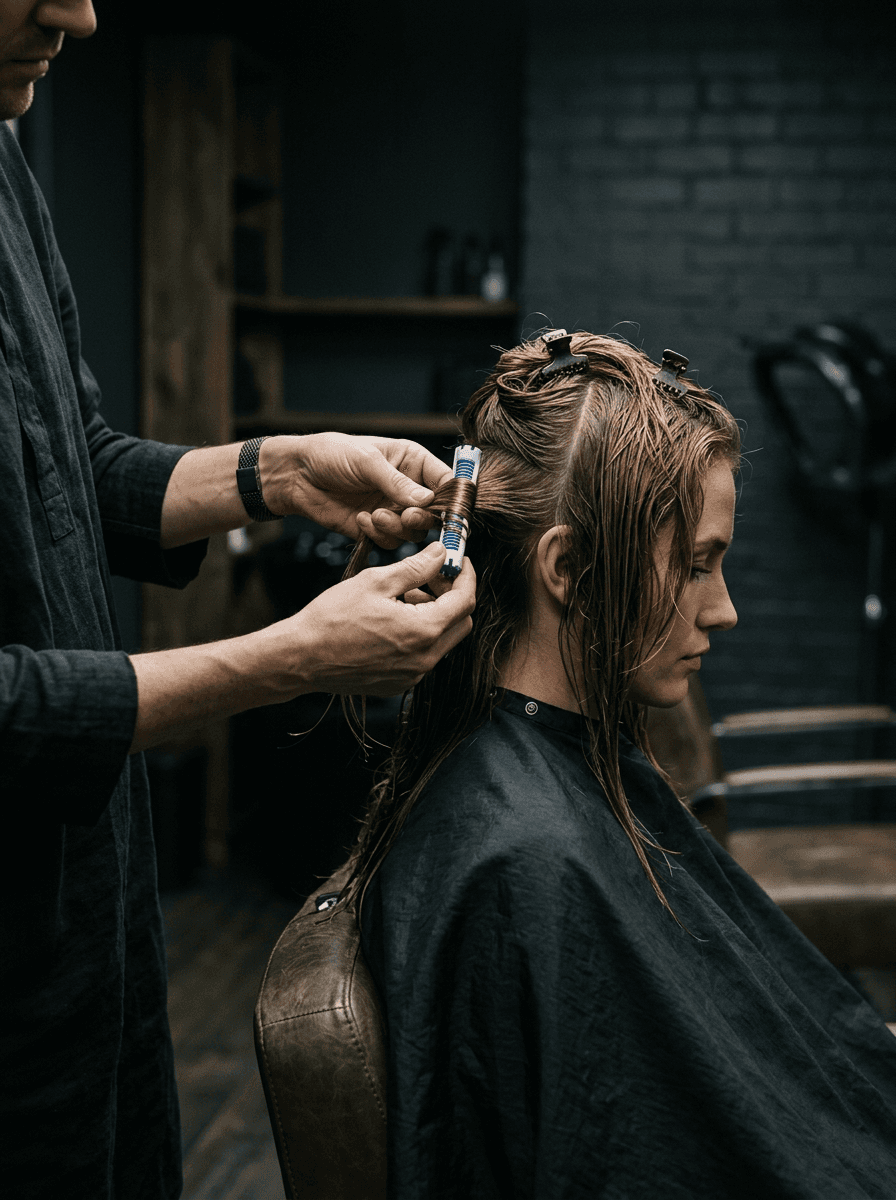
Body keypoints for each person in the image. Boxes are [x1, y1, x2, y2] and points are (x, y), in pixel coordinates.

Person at [0, 3, 474, 1197]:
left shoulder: (3, 154)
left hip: (84, 911)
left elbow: (80, 468)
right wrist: (292, 656)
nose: (82, 14)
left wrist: (282, 467)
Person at [344, 331, 896, 1198]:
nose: (725, 611)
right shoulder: (524, 857)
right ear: (567, 566)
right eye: (700, 565)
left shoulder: (537, 786)